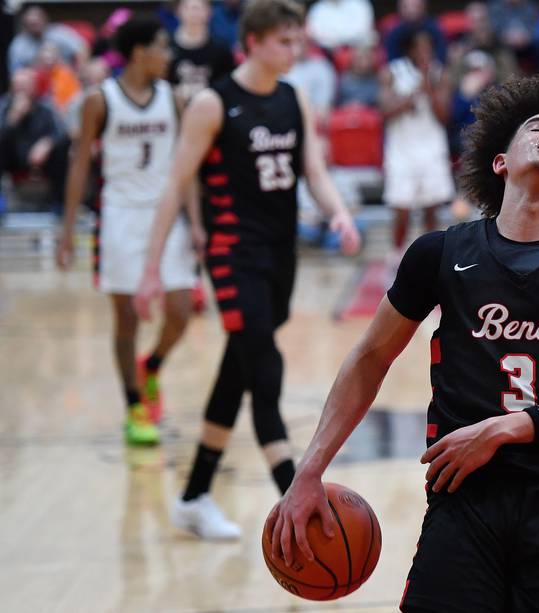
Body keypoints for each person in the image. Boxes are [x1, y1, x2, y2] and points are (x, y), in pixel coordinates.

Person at [268, 71, 539, 612]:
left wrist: (504, 429)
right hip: (464, 504)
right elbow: (371, 357)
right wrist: (309, 471)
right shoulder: (439, 253)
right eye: (537, 125)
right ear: (500, 161)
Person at [134, 0, 361, 540]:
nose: (296, 50)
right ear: (254, 41)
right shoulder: (213, 104)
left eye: (298, 40)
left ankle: (193, 497)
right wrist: (151, 270)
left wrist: (340, 213)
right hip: (233, 254)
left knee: (240, 365)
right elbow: (174, 185)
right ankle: (296, 496)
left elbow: (314, 171)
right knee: (264, 363)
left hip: (280, 254)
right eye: (286, 41)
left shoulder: (294, 98)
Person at [57, 16, 199, 445]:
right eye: (162, 47)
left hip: (166, 215)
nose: (168, 56)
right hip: (118, 215)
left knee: (180, 311)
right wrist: (67, 233)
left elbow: (185, 165)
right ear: (139, 53)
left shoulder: (173, 98)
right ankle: (134, 405)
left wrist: (196, 222)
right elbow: (80, 165)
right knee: (124, 319)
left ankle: (151, 365)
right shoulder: (100, 101)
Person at [380, 27, 455, 261]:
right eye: (420, 47)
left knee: (431, 210)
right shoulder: (391, 73)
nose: (425, 52)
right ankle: (396, 257)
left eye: (428, 47)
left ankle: (429, 261)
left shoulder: (440, 74)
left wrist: (427, 86)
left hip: (432, 148)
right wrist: (411, 96)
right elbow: (384, 112)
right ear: (409, 49)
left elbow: (445, 117)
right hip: (402, 149)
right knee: (401, 210)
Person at [0, 66, 70, 213]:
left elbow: (62, 133)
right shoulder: (3, 106)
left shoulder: (46, 107)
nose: (21, 91)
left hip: (41, 160)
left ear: (34, 88)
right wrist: (13, 119)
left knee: (63, 147)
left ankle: (59, 203)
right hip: (11, 160)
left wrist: (48, 143)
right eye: (17, 86)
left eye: (25, 86)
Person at [168, 0, 235, 103]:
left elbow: (228, 83)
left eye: (198, 8)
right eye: (188, 8)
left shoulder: (221, 49)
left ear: (209, 12)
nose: (194, 13)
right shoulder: (167, 46)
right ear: (178, 11)